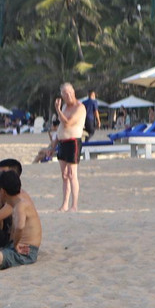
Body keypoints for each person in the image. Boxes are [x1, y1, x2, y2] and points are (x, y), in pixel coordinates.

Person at [51, 83, 86, 212]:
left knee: (72, 174)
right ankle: (65, 204)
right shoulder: (65, 106)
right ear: (62, 96)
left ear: (74, 92)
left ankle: (74, 205)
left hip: (73, 142)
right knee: (64, 175)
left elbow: (68, 122)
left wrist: (58, 110)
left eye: (70, 93)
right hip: (62, 142)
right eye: (65, 94)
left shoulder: (80, 107)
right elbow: (61, 128)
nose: (68, 96)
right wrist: (52, 145)